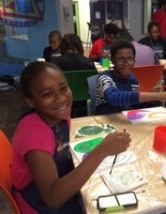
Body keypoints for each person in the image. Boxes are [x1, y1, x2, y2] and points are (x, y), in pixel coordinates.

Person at [11, 62, 131, 214]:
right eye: (47, 94)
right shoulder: (34, 136)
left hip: (61, 179)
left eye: (63, 88)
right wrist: (101, 151)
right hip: (39, 203)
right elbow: (53, 198)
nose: (60, 99)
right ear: (31, 101)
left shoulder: (58, 116)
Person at [95, 40, 166, 115]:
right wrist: (157, 95)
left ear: (134, 60)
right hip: (105, 123)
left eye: (130, 59)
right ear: (112, 60)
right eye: (120, 60)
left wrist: (151, 98)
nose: (126, 63)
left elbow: (135, 105)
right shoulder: (104, 77)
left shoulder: (133, 79)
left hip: (126, 121)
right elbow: (113, 97)